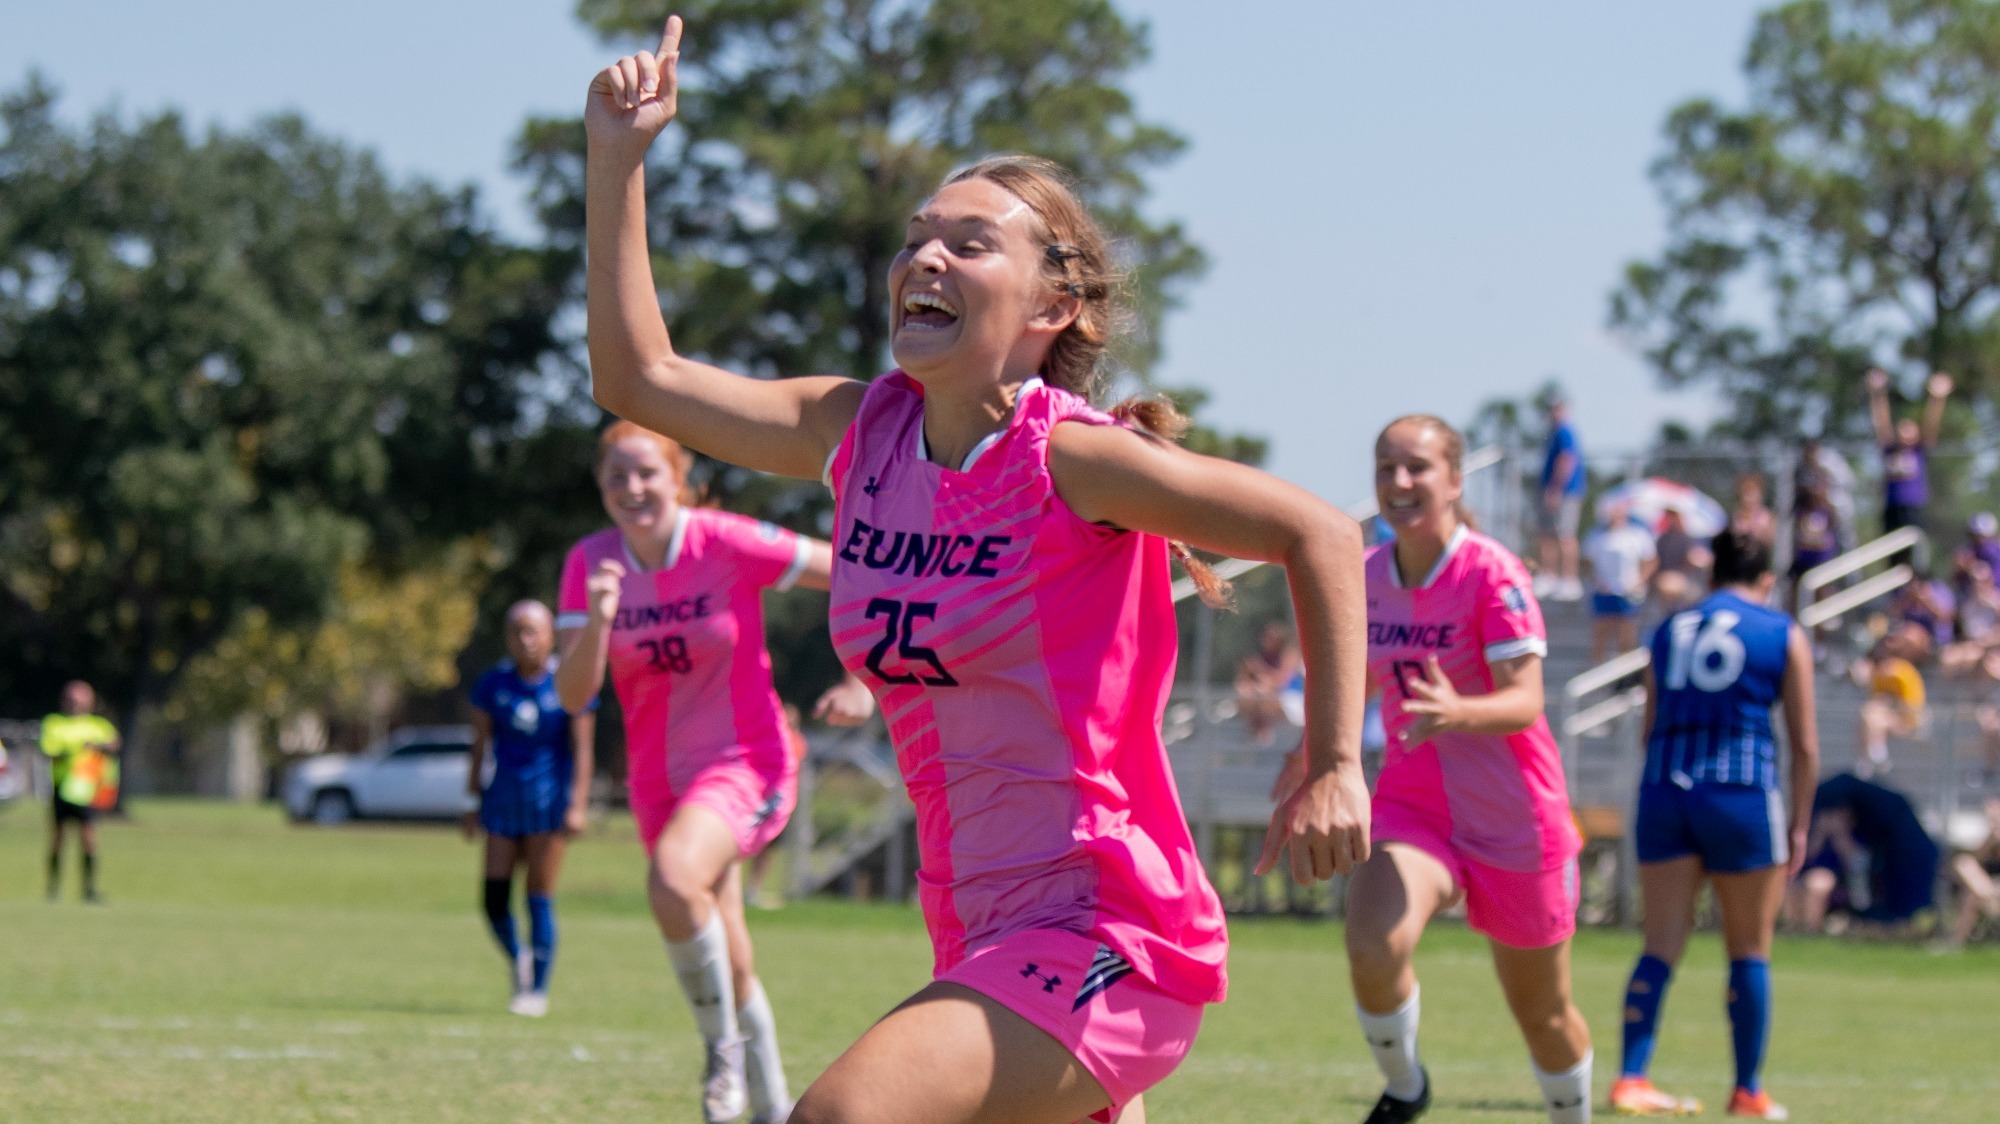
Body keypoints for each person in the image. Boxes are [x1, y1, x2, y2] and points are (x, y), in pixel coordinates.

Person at [583, 22, 1373, 1122]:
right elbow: (641, 373)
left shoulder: (1073, 458)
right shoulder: (858, 432)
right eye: (918, 238)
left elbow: (1322, 534)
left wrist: (1331, 758)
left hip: (1110, 927)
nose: (926, 259)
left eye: (968, 242)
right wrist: (618, 157)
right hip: (977, 921)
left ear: (1051, 310)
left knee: (839, 1115)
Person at [556, 417, 873, 1123]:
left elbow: (860, 566)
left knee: (672, 878)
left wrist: (861, 676)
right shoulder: (591, 562)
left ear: (679, 478)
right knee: (724, 948)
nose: (632, 489)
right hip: (656, 781)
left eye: (647, 473)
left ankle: (719, 1050)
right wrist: (600, 623)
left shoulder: (724, 541)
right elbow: (573, 695)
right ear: (601, 488)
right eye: (616, 477)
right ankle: (770, 1108)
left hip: (746, 763)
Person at [1277, 415, 1590, 1124]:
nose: (1400, 482)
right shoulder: (1361, 577)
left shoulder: (1491, 571)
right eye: (1386, 467)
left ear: (1454, 479)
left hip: (1516, 817)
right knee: (1372, 943)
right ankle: (1407, 1087)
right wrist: (1309, 761)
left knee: (1543, 1015)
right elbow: (1351, 685)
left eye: (1417, 467)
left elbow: (1527, 700)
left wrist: (1460, 711)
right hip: (1415, 808)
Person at [1609, 531, 1818, 1120]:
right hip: (1742, 795)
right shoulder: (1781, 631)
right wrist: (1798, 824)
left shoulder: (1670, 630)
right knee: (1749, 949)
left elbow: (1651, 724)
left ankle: (1631, 1078)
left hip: (1666, 791)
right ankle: (1747, 1090)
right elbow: (1804, 744)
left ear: (1712, 573)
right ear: (1767, 580)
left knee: (1659, 946)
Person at [463, 600, 596, 1018]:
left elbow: (583, 750)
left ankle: (535, 990)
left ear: (550, 635)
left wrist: (577, 803)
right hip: (503, 800)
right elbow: (479, 747)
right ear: (508, 638)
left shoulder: (566, 683)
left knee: (538, 895)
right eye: (518, 632)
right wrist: (471, 801)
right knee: (494, 899)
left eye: (533, 631)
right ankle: (520, 957)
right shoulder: (492, 685)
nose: (526, 640)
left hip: (548, 804)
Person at [40, 681, 119, 903]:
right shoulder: (54, 723)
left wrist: (99, 746)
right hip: (62, 788)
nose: (76, 704)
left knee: (89, 838)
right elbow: (49, 750)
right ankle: (53, 888)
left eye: (80, 700)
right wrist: (76, 748)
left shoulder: (98, 725)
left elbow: (114, 743)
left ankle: (89, 888)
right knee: (57, 838)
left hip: (85, 790)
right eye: (72, 700)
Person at [1866, 368, 1951, 537]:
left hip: (1914, 508)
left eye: (1909, 428)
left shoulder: (1918, 450)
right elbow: (1882, 422)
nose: (1903, 431)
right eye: (1901, 427)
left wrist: (1938, 398)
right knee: (1893, 552)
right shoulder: (1890, 450)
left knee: (1915, 551)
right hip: (1892, 508)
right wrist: (1877, 393)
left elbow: (1931, 423)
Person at [1853, 623, 1929, 777]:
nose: (1888, 645)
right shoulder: (1882, 673)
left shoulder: (1904, 671)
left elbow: (1912, 708)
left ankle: (1874, 758)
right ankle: (1874, 757)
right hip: (1887, 720)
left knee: (1872, 715)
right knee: (1870, 716)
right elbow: (1875, 697)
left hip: (1909, 721)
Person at [1584, 504, 1656, 663]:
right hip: (1603, 590)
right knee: (1601, 631)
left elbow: (1650, 561)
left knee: (1627, 633)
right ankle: (1597, 667)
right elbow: (1587, 562)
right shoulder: (1596, 535)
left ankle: (1624, 674)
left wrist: (1639, 581)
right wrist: (1596, 580)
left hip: (1627, 591)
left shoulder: (1637, 535)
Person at [1536, 398, 1586, 602]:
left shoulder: (1565, 431)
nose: (1553, 412)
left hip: (1564, 492)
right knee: (1547, 534)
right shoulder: (1555, 433)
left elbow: (1567, 459)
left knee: (1565, 535)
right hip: (1557, 491)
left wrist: (1556, 488)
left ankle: (1569, 580)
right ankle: (1549, 576)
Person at [1942, 797, 2000, 948]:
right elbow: (1974, 861)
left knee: (1972, 897)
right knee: (1964, 863)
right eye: (1991, 818)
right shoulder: (1987, 843)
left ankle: (1956, 941)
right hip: (1987, 893)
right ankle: (1987, 892)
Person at [1236, 621, 1302, 745]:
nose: (1266, 641)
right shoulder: (1262, 656)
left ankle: (1264, 729)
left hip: (1289, 695)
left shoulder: (1288, 656)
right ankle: (1255, 728)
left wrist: (1258, 670)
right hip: (1267, 696)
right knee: (1245, 689)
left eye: (1270, 638)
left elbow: (1281, 680)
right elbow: (1244, 679)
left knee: (1263, 689)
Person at [1786, 478, 1842, 618]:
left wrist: (1814, 539)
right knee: (1796, 595)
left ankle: (1820, 633)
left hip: (1821, 562)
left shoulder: (1828, 511)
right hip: (1804, 561)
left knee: (1821, 597)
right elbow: (1803, 537)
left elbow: (1824, 540)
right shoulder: (1802, 511)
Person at [1649, 506, 1710, 612]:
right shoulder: (1662, 539)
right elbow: (1656, 562)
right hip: (1667, 579)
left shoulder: (1686, 539)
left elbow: (1694, 559)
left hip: (1684, 580)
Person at [1727, 474, 1775, 546]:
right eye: (1746, 492)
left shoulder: (1766, 516)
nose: (1749, 496)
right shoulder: (1735, 515)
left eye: (1753, 491)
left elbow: (1770, 541)